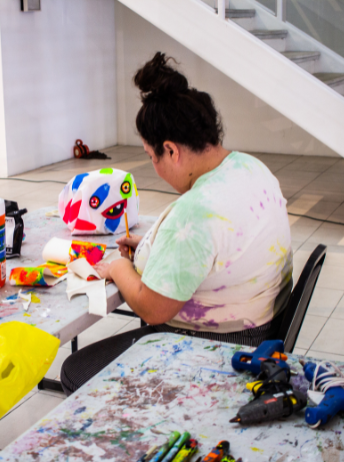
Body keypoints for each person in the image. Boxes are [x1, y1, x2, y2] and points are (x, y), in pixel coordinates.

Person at [60, 52, 293, 395]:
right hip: (262, 327)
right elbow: (220, 248)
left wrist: (116, 270)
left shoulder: (197, 211)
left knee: (74, 369)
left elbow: (154, 309)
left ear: (171, 150)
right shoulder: (248, 167)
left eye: (150, 156)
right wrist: (156, 247)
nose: (154, 166)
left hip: (219, 345)